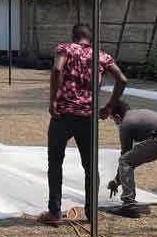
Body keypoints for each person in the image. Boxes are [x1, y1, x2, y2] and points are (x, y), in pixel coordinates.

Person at [38, 23, 127, 225]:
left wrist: (53, 100)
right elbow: (122, 79)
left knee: (55, 163)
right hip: (87, 117)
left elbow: (57, 69)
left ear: (74, 36)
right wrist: (109, 107)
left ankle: (54, 213)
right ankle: (91, 213)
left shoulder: (65, 49)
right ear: (89, 38)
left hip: (63, 115)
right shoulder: (101, 56)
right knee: (90, 167)